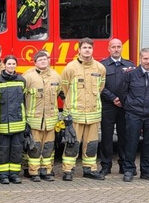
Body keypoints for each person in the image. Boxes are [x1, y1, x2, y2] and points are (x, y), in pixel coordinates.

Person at [60, 38, 106, 181]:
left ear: (93, 49)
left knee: (92, 144)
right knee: (72, 143)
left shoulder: (100, 68)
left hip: (93, 114)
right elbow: (64, 89)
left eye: (89, 48)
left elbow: (101, 87)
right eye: (84, 47)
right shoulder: (70, 68)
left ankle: (90, 170)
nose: (87, 50)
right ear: (79, 50)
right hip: (75, 114)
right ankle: (68, 170)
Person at [121, 48, 149, 183]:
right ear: (140, 59)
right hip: (134, 114)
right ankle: (129, 170)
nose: (148, 61)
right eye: (145, 58)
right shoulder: (130, 74)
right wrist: (130, 106)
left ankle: (147, 171)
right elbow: (123, 93)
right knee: (131, 142)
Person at [98, 38, 135, 175]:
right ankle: (106, 166)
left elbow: (133, 84)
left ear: (122, 48)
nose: (116, 49)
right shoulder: (102, 66)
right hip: (108, 106)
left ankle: (124, 165)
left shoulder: (130, 65)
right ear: (109, 49)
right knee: (107, 137)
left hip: (124, 107)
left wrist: (123, 100)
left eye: (119, 46)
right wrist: (113, 98)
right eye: (113, 47)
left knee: (124, 136)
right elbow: (99, 85)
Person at [23, 51, 61, 182]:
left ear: (48, 60)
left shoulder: (56, 76)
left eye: (45, 59)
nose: (43, 61)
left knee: (48, 147)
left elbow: (59, 92)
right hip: (34, 120)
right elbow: (23, 96)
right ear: (35, 62)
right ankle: (34, 172)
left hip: (50, 120)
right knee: (35, 147)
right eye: (40, 60)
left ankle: (47, 171)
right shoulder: (28, 77)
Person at [0, 55, 26, 185]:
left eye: (13, 64)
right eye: (9, 64)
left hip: (18, 122)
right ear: (4, 65)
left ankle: (14, 174)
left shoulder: (21, 80)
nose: (11, 66)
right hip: (3, 122)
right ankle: (2, 174)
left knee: (16, 150)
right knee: (3, 150)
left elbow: (24, 101)